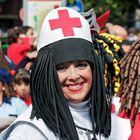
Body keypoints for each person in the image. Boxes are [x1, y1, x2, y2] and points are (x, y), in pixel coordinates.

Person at [0, 7, 131, 140]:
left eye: (81, 65)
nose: (73, 76)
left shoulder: (117, 123)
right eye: (62, 68)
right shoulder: (28, 132)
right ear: (46, 72)